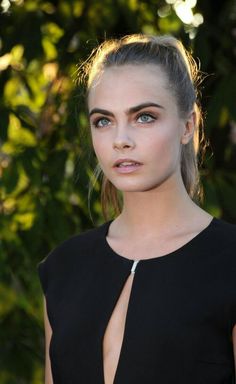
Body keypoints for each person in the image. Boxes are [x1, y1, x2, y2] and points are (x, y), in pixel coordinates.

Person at [37, 34, 236, 384]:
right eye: (103, 120)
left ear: (187, 126)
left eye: (144, 117)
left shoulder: (230, 262)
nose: (120, 140)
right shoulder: (62, 269)